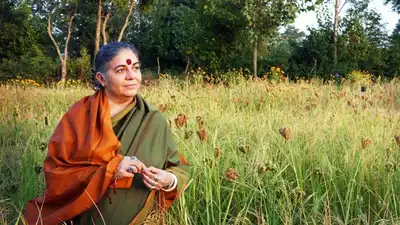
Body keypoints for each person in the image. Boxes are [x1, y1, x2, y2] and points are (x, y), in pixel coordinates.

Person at [24, 42, 191, 225]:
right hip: (80, 218)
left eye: (135, 68)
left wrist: (169, 180)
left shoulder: (153, 119)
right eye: (120, 70)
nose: (131, 76)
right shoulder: (80, 116)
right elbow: (56, 173)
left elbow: (179, 167)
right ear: (101, 79)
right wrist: (111, 171)